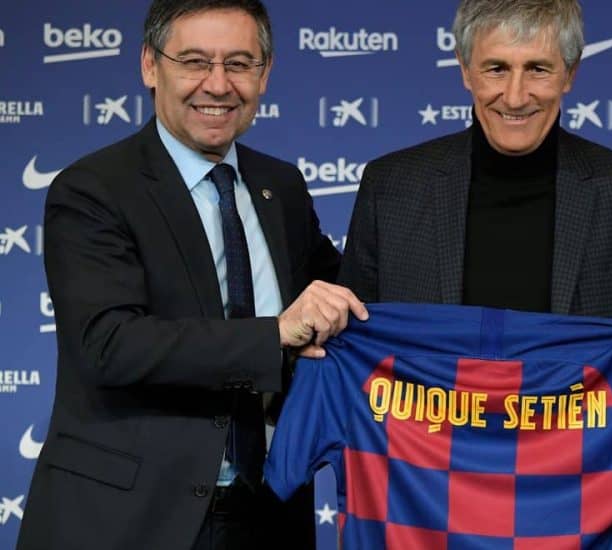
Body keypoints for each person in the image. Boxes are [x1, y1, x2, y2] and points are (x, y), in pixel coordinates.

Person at [18, 1, 366, 549]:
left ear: (265, 74)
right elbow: (109, 344)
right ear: (150, 66)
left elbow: (353, 301)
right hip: (130, 521)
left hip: (268, 515)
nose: (218, 85)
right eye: (195, 62)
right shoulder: (93, 189)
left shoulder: (281, 187)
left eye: (239, 64)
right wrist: (274, 334)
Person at [338, 0, 612, 322]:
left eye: (538, 69)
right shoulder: (390, 188)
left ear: (570, 73)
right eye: (497, 69)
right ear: (465, 70)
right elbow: (353, 343)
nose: (515, 97)